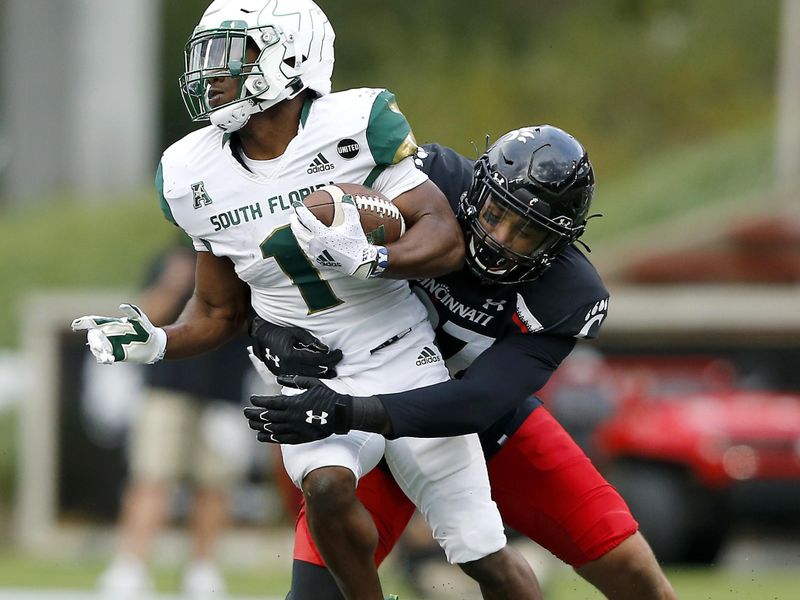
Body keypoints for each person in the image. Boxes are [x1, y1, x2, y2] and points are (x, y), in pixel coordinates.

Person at [71, 1, 541, 599]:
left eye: (233, 53)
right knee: (324, 485)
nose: (212, 73)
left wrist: (374, 258)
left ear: (291, 57)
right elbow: (218, 312)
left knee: (482, 553)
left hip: (402, 357)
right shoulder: (191, 171)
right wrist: (159, 341)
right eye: (208, 56)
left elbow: (445, 239)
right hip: (305, 374)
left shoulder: (356, 123)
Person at [245, 125, 678, 600]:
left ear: (559, 244)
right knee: (315, 596)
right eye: (496, 214)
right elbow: (278, 267)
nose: (501, 239)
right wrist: (264, 331)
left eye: (528, 233)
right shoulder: (428, 183)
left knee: (631, 570)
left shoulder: (569, 294)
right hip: (357, 399)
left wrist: (347, 409)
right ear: (476, 190)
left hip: (472, 425)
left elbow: (478, 401)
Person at [96, 239, 252, 600]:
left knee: (215, 484)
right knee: (152, 476)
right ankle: (131, 566)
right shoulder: (172, 258)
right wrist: (172, 283)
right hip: (167, 385)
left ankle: (202, 570)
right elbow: (141, 318)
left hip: (223, 390)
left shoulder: (244, 250)